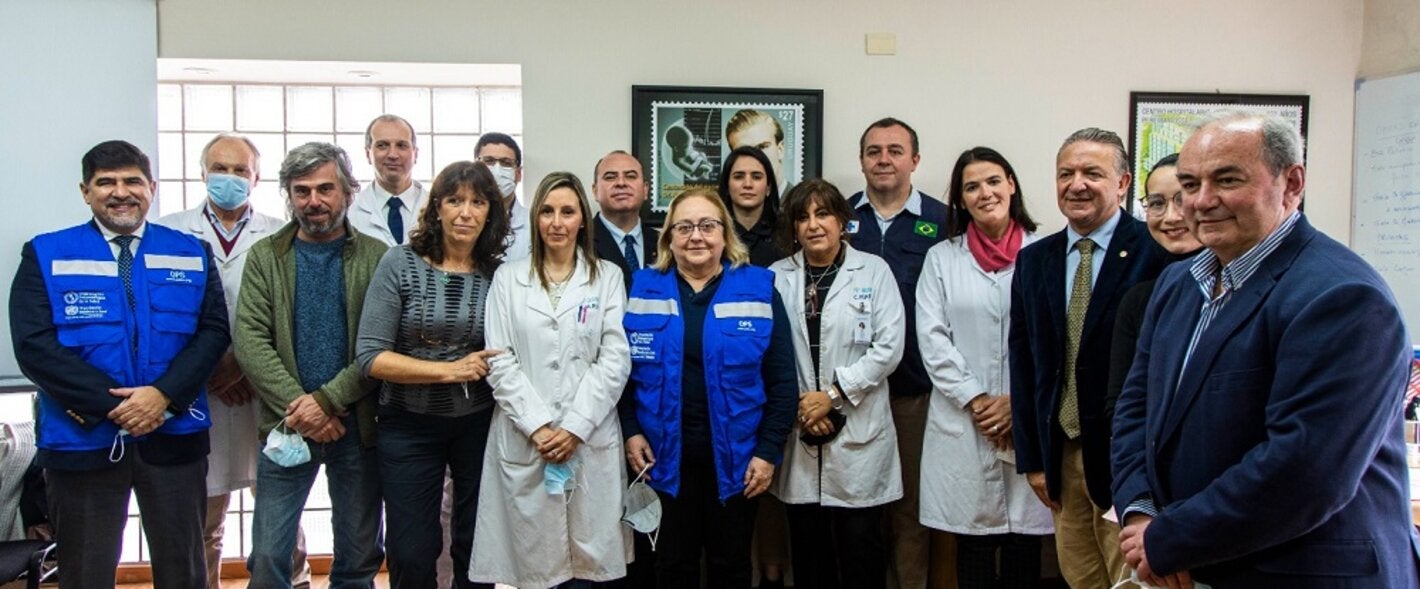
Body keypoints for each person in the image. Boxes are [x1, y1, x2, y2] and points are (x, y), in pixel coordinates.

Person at [1112, 112, 1420, 587]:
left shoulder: (1343, 298)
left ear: (1291, 182)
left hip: (1301, 572)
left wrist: (1170, 538)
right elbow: (1136, 409)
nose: (1201, 201)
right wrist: (1140, 512)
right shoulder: (1178, 283)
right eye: (1189, 183)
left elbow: (1305, 471)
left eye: (1227, 179)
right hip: (1195, 561)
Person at [9, 139, 229, 588]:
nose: (120, 191)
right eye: (105, 182)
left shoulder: (191, 251)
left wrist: (162, 397)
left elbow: (212, 333)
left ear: (152, 187)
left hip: (174, 436)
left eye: (132, 181)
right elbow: (34, 345)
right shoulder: (46, 252)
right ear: (85, 191)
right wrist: (114, 406)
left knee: (185, 570)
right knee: (85, 570)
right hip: (82, 439)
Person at [1009, 128, 1166, 588]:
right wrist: (1033, 459)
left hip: (1128, 456)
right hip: (1062, 455)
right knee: (1080, 577)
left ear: (1122, 183)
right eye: (1066, 173)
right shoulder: (1035, 259)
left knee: (1132, 580)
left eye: (1092, 173)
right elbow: (1024, 361)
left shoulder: (1155, 252)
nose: (1076, 184)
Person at [620, 188, 797, 588]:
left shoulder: (759, 289)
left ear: (724, 234)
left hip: (738, 463)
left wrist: (768, 453)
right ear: (668, 238)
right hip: (661, 461)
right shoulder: (640, 290)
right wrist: (630, 430)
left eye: (707, 226)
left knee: (730, 566)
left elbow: (784, 382)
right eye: (683, 227)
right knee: (671, 566)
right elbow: (620, 375)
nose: (695, 236)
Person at [235, 142, 388, 588]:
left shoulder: (377, 257)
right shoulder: (266, 257)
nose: (314, 201)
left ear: (347, 192)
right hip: (286, 427)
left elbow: (378, 345)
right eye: (302, 191)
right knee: (267, 554)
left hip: (357, 426)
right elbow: (250, 342)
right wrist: (304, 409)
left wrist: (328, 401)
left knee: (359, 554)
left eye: (325, 189)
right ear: (288, 195)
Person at [471, 171, 634, 588]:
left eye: (567, 211)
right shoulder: (509, 279)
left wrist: (576, 427)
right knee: (536, 567)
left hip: (589, 436)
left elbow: (614, 359)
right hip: (528, 436)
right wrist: (540, 426)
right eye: (546, 211)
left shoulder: (608, 277)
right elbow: (499, 359)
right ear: (535, 219)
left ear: (583, 219)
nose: (557, 222)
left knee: (590, 566)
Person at [353, 160, 509, 588]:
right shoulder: (400, 263)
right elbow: (371, 357)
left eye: (478, 203)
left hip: (479, 424)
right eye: (455, 200)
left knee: (476, 543)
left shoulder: (499, 274)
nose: (465, 212)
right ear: (435, 207)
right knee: (412, 548)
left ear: (490, 213)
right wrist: (448, 371)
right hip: (408, 426)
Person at [157, 133, 291, 589]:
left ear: (256, 177)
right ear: (202, 172)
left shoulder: (279, 232)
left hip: (263, 386)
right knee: (204, 514)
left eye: (239, 170)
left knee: (277, 509)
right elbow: (162, 315)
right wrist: (212, 368)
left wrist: (248, 365)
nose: (229, 179)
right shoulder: (169, 231)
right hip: (200, 389)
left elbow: (290, 311)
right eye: (220, 168)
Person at [916, 147, 1052, 589]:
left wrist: (1018, 403)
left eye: (993, 181)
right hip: (965, 419)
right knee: (971, 542)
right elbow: (933, 338)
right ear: (960, 199)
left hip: (1025, 416)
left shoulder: (1046, 253)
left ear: (1011, 184)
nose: (984, 193)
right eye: (971, 186)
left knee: (1024, 545)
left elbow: (1058, 340)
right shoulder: (942, 258)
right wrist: (978, 399)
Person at [768, 179, 905, 589]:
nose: (813, 225)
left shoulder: (874, 271)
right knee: (810, 558)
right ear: (792, 227)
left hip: (858, 426)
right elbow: (770, 355)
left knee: (862, 552)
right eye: (802, 217)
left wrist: (832, 396)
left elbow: (889, 347)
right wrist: (803, 406)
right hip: (801, 428)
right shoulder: (776, 276)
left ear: (842, 220)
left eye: (823, 213)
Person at [847, 117, 948, 589]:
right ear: (862, 159)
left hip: (913, 393)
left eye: (894, 150)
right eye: (873, 151)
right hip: (849, 393)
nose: (883, 159)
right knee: (858, 509)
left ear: (915, 159)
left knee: (910, 508)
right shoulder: (840, 218)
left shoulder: (945, 222)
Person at [1104, 154, 1203, 420]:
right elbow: (1121, 403)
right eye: (1157, 203)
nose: (1171, 217)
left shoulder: (1237, 285)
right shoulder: (1140, 298)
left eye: (1182, 200)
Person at [351, 114, 427, 246]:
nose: (393, 155)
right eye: (382, 145)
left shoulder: (437, 209)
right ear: (368, 154)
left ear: (416, 154)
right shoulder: (351, 212)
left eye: (402, 145)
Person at [591, 150, 659, 287]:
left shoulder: (665, 243)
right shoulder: (579, 242)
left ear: (645, 190)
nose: (621, 183)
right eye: (610, 177)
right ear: (595, 191)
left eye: (631, 176)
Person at [716, 145, 783, 267]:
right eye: (739, 176)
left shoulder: (786, 235)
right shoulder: (712, 233)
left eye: (756, 177)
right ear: (727, 186)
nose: (748, 184)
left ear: (769, 187)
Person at [476, 132, 532, 261]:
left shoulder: (533, 224)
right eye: (489, 161)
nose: (497, 170)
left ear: (518, 174)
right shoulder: (463, 219)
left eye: (506, 163)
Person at [725, 109, 789, 195]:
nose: (755, 157)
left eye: (762, 147)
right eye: (745, 151)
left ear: (780, 149)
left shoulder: (803, 207)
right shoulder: (720, 207)